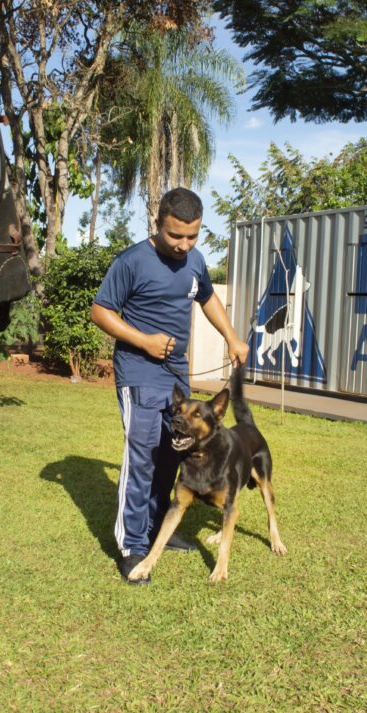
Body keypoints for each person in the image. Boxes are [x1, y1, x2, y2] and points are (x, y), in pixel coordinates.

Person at [90, 188, 249, 585]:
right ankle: (132, 545)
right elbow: (100, 310)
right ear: (158, 223)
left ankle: (161, 525)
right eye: (176, 235)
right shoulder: (132, 261)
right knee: (142, 456)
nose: (183, 245)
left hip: (177, 374)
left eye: (192, 236)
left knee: (172, 454)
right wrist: (143, 340)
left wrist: (231, 337)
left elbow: (208, 298)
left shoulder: (195, 261)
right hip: (139, 372)